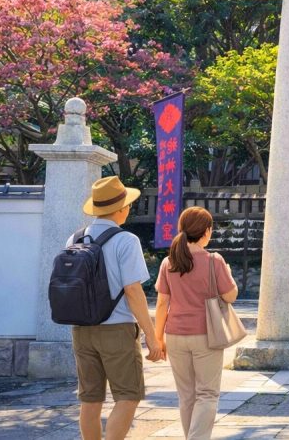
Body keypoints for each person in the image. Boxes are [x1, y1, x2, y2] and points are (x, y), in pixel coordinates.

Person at [69, 176, 164, 440]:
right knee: (128, 395)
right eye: (127, 205)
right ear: (120, 208)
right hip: (116, 330)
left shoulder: (75, 237)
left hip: (81, 329)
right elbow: (133, 291)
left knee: (90, 399)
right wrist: (151, 335)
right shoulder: (126, 240)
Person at [155, 207, 238, 440]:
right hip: (206, 335)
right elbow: (230, 296)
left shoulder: (168, 262)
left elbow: (162, 304)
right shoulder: (214, 260)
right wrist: (228, 273)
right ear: (206, 231)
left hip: (174, 335)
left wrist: (157, 338)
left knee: (187, 396)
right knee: (208, 394)